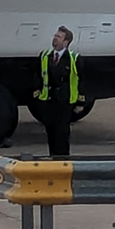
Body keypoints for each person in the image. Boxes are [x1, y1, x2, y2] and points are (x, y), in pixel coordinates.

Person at [35, 26, 80, 158]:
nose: (55, 38)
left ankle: (63, 159)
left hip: (65, 101)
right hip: (48, 100)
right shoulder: (45, 56)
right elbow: (38, 76)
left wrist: (80, 102)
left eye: (58, 37)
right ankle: (52, 158)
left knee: (62, 132)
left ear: (66, 42)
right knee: (51, 131)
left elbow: (80, 80)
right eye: (55, 36)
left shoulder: (73, 59)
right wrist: (37, 93)